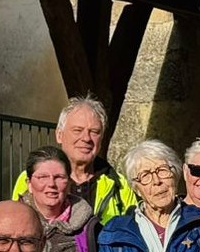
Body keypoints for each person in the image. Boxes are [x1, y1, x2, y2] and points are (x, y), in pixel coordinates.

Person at [12, 95, 137, 225]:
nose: (86, 138)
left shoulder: (120, 186)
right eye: (78, 130)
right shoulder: (32, 178)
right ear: (59, 135)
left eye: (94, 132)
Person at [22, 145, 99, 252]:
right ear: (29, 184)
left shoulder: (91, 229)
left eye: (59, 177)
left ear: (69, 182)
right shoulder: (12, 223)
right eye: (42, 177)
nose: (51, 184)